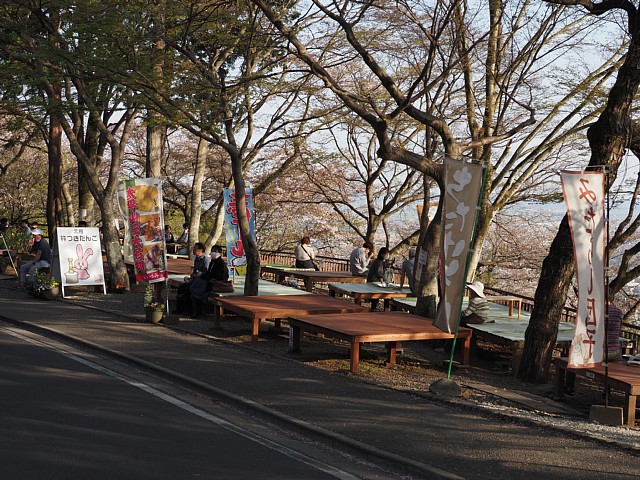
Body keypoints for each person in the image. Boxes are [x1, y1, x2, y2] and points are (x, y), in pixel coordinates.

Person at [189, 245, 230, 317]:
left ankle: (198, 311)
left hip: (216, 283)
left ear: (220, 253)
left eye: (215, 251)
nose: (212, 253)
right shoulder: (212, 262)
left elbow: (223, 276)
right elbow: (208, 274)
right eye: (212, 251)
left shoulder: (220, 263)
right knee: (193, 284)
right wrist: (201, 276)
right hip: (209, 281)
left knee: (197, 288)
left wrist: (211, 278)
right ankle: (194, 310)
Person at [174, 242, 210, 315]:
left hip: (202, 281)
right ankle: (180, 309)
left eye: (195, 249)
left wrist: (199, 274)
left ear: (200, 250)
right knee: (181, 288)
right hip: (195, 279)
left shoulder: (206, 259)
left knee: (189, 290)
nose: (193, 250)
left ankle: (189, 310)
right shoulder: (196, 259)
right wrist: (190, 278)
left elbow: (206, 273)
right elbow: (194, 272)